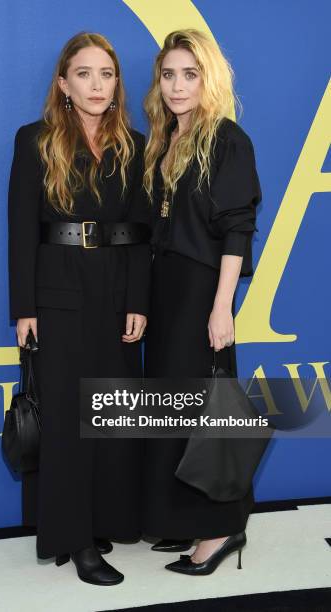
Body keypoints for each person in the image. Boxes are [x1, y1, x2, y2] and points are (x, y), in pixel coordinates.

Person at [7, 32, 151, 586]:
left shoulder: (134, 144)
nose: (97, 85)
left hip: (115, 291)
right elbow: (21, 228)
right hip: (57, 293)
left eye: (107, 74)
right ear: (63, 84)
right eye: (84, 73)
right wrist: (25, 307)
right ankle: (76, 539)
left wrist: (138, 299)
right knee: (69, 417)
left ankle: (105, 519)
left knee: (112, 414)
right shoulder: (35, 139)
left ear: (117, 84)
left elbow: (140, 231)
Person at [141, 29, 262, 575]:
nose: (177, 85)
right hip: (166, 291)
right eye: (169, 74)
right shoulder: (163, 139)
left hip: (201, 291)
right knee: (172, 409)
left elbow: (237, 230)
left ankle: (219, 531)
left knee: (208, 412)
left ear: (208, 77)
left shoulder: (227, 139)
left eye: (189, 74)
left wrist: (222, 307)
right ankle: (186, 520)